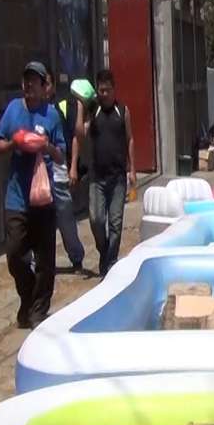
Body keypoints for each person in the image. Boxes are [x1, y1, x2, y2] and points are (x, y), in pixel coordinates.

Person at [0, 62, 66, 328]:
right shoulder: (13, 109)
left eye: (34, 81)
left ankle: (37, 312)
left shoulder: (52, 115)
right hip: (17, 198)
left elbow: (61, 155)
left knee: (46, 261)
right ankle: (28, 297)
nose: (29, 85)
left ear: (44, 86)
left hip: (44, 199)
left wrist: (46, 147)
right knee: (15, 255)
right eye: (26, 80)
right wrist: (14, 143)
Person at [75, 69, 135, 277]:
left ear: (114, 89)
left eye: (108, 90)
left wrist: (132, 169)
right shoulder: (94, 111)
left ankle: (110, 263)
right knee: (96, 220)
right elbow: (80, 134)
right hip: (97, 178)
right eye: (101, 90)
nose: (104, 94)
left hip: (118, 177)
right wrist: (81, 108)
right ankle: (104, 251)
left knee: (115, 223)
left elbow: (130, 139)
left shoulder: (122, 111)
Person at [48, 77, 85, 272]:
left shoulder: (60, 107)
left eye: (46, 83)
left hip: (59, 172)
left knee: (65, 219)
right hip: (38, 175)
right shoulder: (31, 111)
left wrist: (73, 167)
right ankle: (40, 261)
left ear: (53, 86)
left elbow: (75, 137)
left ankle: (76, 256)